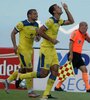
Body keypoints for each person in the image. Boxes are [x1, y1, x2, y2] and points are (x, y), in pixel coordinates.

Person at [16, 2, 74, 99]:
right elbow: (40, 31)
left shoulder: (58, 21)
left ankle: (46, 95)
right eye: (58, 7)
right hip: (45, 49)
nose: (60, 8)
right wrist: (51, 40)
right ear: (54, 11)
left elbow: (71, 21)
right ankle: (21, 77)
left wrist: (66, 9)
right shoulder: (50, 21)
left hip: (52, 49)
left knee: (55, 70)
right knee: (43, 74)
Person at [3, 9, 40, 97]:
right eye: (34, 14)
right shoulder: (22, 23)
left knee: (23, 70)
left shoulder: (36, 24)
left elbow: (36, 38)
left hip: (30, 50)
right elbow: (13, 33)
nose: (36, 15)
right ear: (29, 15)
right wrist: (14, 46)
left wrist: (38, 37)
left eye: (37, 14)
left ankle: (7, 81)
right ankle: (30, 91)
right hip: (23, 50)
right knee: (29, 70)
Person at [55, 21, 90, 92]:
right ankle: (57, 86)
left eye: (86, 28)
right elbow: (71, 43)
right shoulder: (75, 32)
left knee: (84, 70)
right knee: (67, 71)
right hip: (73, 54)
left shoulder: (85, 34)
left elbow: (89, 41)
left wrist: (86, 36)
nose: (85, 29)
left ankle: (88, 88)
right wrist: (71, 54)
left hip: (78, 55)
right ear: (80, 27)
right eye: (84, 28)